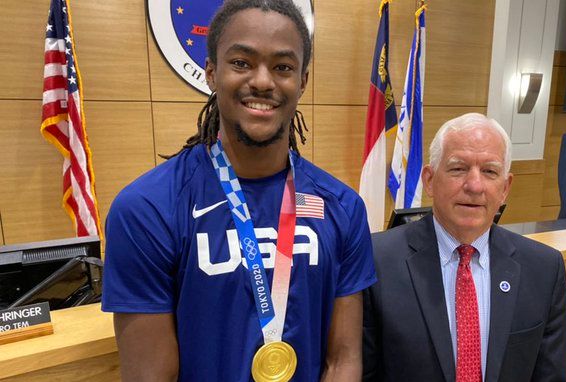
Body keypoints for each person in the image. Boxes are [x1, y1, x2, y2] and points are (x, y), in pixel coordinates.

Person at [102, 1, 376, 381]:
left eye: (282, 67)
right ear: (212, 73)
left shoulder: (343, 206)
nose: (263, 81)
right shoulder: (147, 209)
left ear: (303, 81)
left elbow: (342, 361)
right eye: (242, 63)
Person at [362, 113, 566, 382]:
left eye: (490, 171)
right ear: (429, 179)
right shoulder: (378, 260)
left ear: (505, 188)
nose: (474, 186)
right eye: (458, 168)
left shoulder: (543, 268)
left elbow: (552, 376)